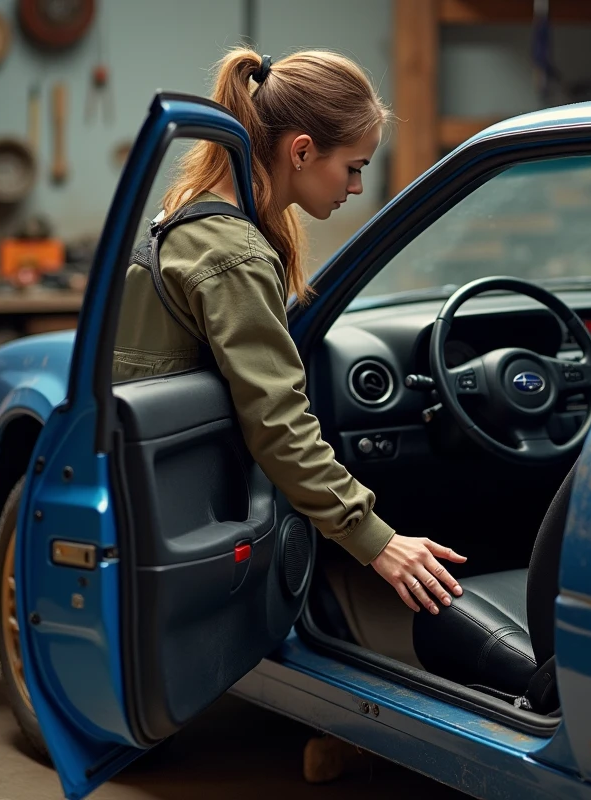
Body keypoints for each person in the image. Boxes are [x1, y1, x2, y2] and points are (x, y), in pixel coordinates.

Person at [113, 48, 467, 619]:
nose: (355, 186)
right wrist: (378, 542)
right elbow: (277, 421)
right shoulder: (236, 256)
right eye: (353, 166)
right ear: (302, 150)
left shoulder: (195, 213)